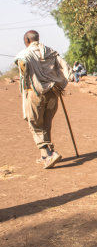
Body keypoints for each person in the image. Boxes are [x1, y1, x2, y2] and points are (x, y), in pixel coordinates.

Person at [14, 30, 72, 169]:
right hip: (53, 92)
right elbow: (66, 67)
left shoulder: (24, 54)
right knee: (46, 123)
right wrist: (63, 81)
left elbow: (23, 69)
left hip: (35, 93)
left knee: (35, 124)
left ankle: (49, 154)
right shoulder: (51, 52)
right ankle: (45, 154)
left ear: (27, 40)